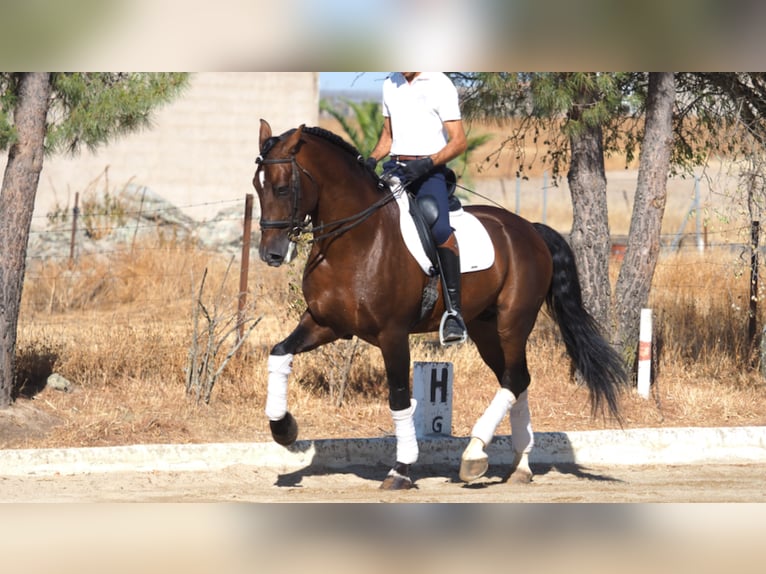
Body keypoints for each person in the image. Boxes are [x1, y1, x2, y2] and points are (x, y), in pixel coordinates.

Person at [366, 72, 468, 345]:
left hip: (428, 171)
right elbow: (388, 136)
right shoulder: (391, 83)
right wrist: (371, 159)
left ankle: (454, 313)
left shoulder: (440, 83)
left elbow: (459, 141)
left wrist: (427, 163)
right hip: (395, 168)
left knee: (439, 226)